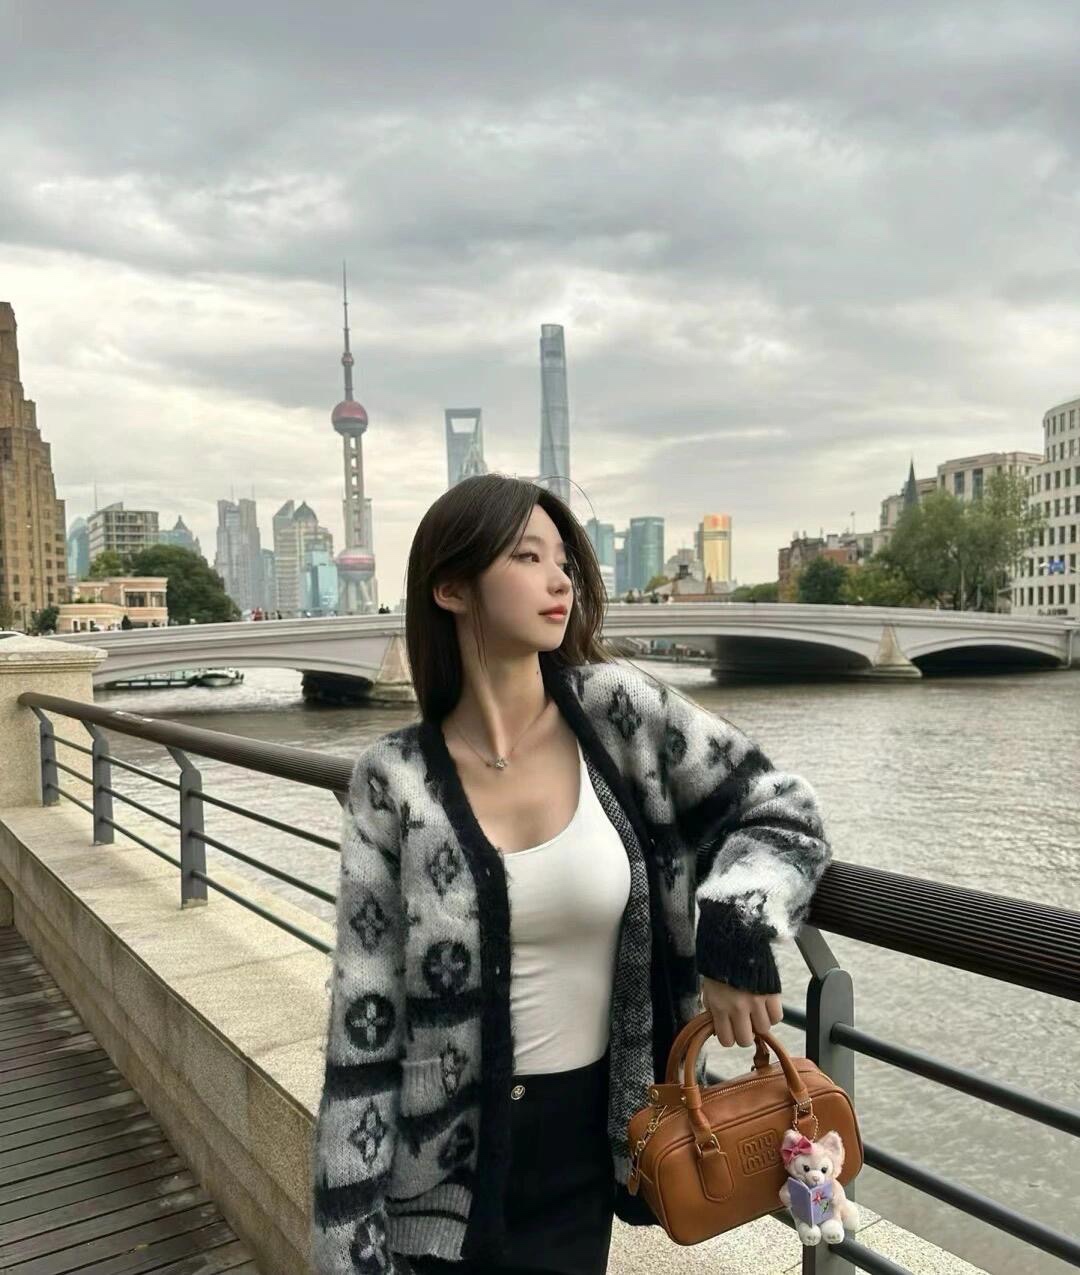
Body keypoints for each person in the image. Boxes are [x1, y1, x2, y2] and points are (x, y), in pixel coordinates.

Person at [310, 473, 832, 1275]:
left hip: (584, 1152)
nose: (560, 580)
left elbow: (782, 807)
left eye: (564, 560)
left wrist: (735, 923)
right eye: (527, 557)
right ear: (451, 588)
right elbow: (364, 1019)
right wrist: (347, 1237)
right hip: (437, 1183)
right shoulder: (393, 780)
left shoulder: (620, 714)